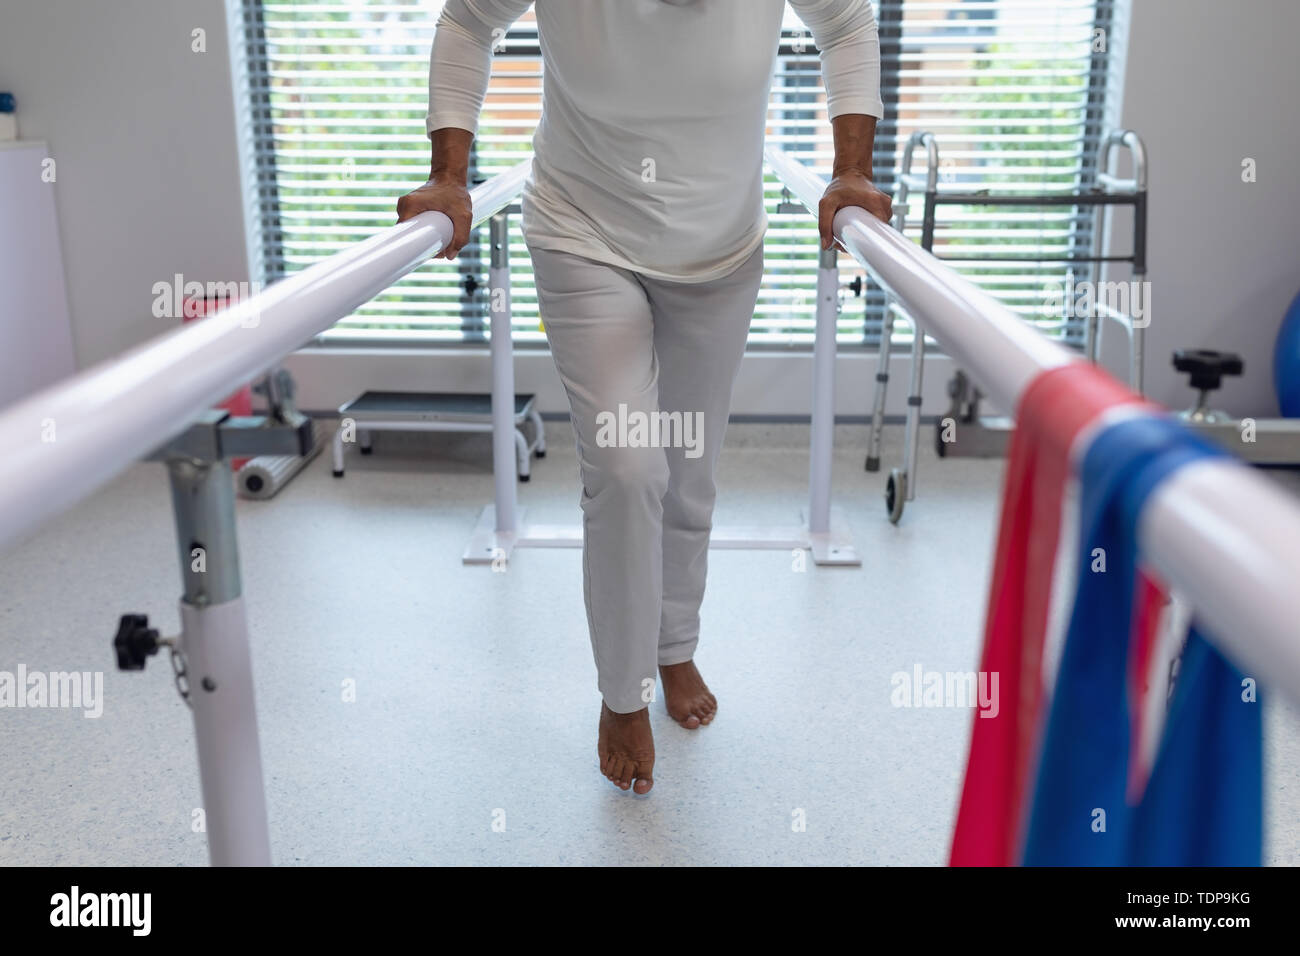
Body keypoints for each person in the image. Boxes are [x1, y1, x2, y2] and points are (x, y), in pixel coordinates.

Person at [398, 0, 891, 795]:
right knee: (629, 469)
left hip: (721, 246)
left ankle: (674, 642)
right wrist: (448, 178)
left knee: (689, 470)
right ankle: (621, 691)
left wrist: (852, 170)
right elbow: (466, 21)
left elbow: (846, 23)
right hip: (581, 228)